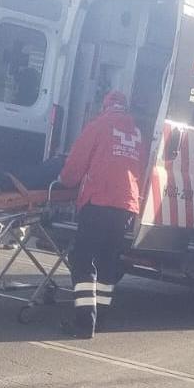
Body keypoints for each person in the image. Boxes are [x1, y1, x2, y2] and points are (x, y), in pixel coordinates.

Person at [58, 90, 145, 338]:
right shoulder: (138, 133)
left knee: (82, 260)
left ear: (105, 106)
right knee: (108, 261)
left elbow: (75, 165)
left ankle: (85, 323)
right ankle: (101, 319)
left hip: (99, 200)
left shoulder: (99, 125)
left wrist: (65, 181)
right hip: (126, 205)